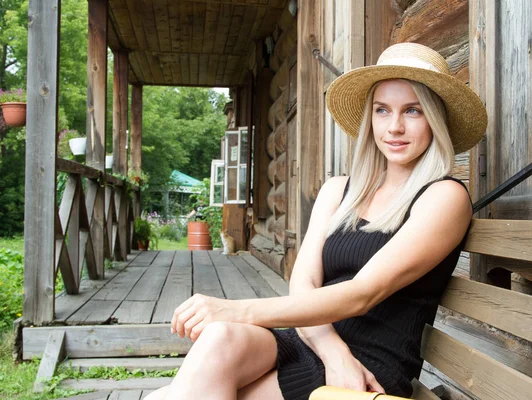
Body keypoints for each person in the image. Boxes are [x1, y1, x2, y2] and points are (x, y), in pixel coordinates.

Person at [145, 42, 487, 400]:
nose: (395, 126)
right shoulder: (338, 191)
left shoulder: (444, 197)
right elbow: (303, 281)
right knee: (219, 338)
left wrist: (232, 308)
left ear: (435, 119)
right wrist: (331, 349)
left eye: (413, 111)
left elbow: (362, 294)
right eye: (382, 110)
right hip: (313, 339)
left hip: (367, 366)